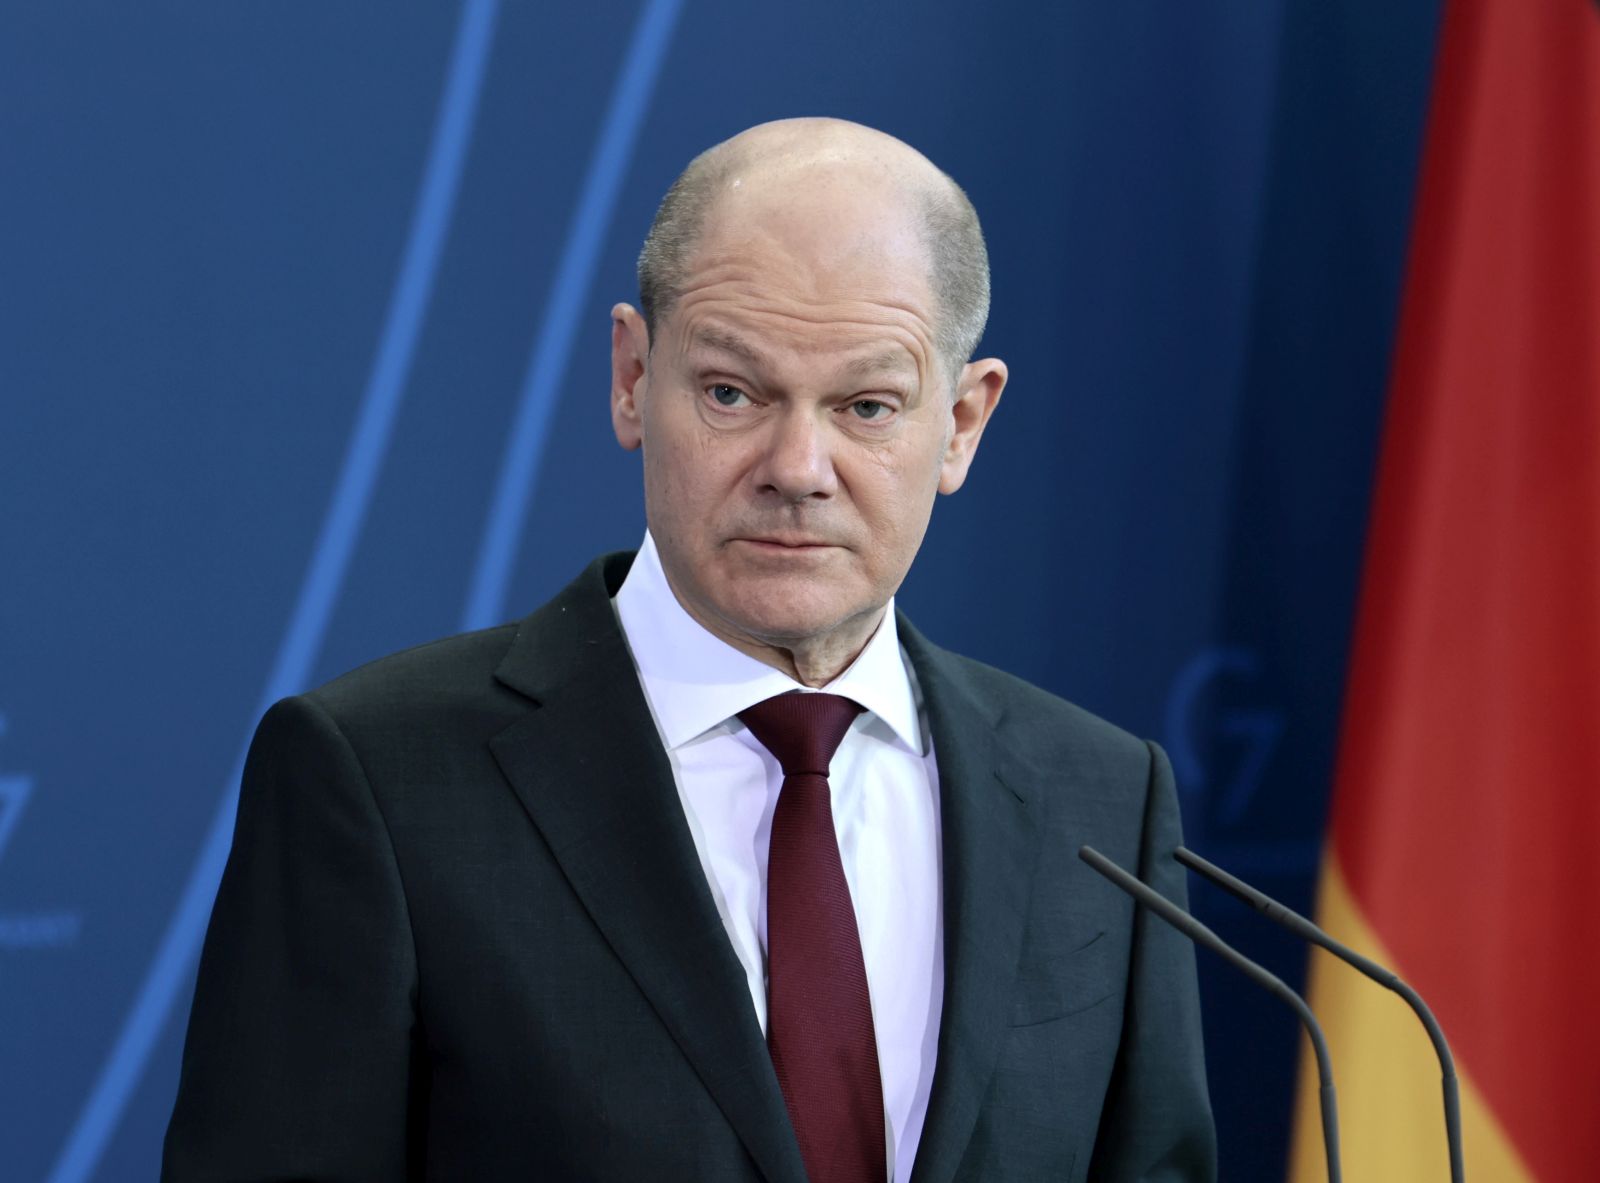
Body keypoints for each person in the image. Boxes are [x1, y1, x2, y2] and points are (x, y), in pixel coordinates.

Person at [163, 117, 1215, 1182]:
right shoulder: (381, 779)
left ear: (960, 423)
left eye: (865, 405)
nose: (798, 466)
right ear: (631, 377)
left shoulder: (1100, 802)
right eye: (732, 392)